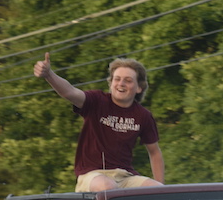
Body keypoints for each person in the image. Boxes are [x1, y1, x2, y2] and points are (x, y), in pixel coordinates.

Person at [34, 52, 164, 192]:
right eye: (117, 79)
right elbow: (69, 92)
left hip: (125, 177)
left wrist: (162, 193)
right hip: (93, 176)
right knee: (108, 186)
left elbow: (155, 152)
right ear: (111, 83)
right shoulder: (96, 101)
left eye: (128, 80)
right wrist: (49, 74)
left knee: (156, 189)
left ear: (139, 88)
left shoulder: (143, 115)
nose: (121, 84)